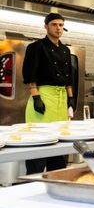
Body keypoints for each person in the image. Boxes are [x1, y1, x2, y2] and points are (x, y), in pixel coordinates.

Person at [22, 12, 75, 174]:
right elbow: (30, 74)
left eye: (61, 25)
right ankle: (32, 180)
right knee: (39, 141)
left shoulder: (66, 50)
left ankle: (57, 178)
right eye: (54, 25)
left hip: (61, 99)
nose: (58, 28)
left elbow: (68, 78)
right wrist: (36, 97)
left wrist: (70, 99)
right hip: (43, 97)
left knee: (59, 143)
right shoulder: (36, 47)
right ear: (46, 26)